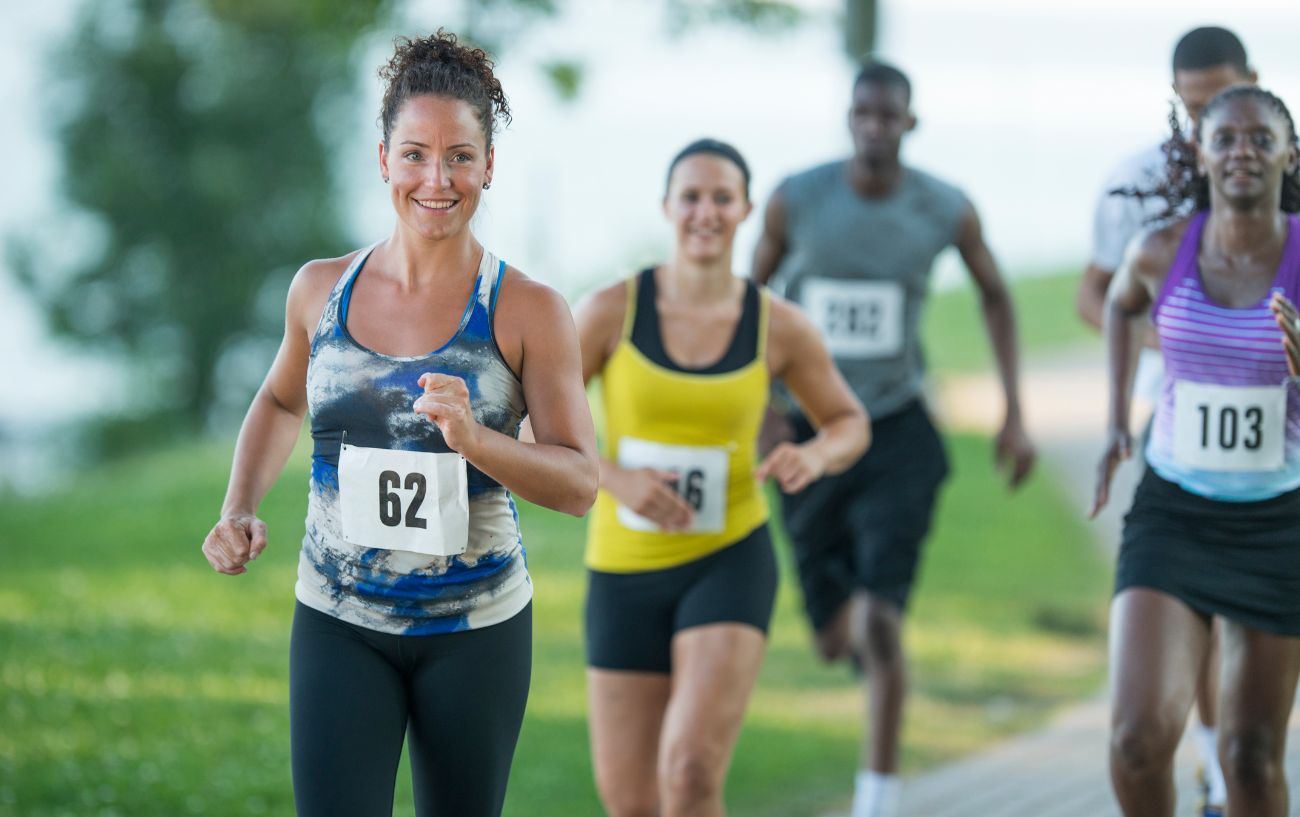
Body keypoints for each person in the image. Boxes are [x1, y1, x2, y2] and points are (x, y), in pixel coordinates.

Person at [199, 31, 598, 817]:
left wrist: (478, 439)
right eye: (415, 154)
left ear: (489, 166)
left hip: (476, 627)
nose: (436, 180)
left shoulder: (528, 311)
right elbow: (282, 401)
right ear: (383, 159)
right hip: (338, 618)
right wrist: (238, 505)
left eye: (459, 156)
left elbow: (581, 483)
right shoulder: (320, 293)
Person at [751, 61, 1036, 817]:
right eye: (863, 114)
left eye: (890, 116)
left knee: (881, 619)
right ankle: (874, 654)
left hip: (895, 426)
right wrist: (761, 408)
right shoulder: (796, 199)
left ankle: (876, 798)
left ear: (910, 123)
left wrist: (1015, 411)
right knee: (834, 639)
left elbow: (997, 293)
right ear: (849, 118)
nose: (875, 126)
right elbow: (746, 301)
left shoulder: (944, 207)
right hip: (809, 430)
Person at [575, 139, 869, 817]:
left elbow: (849, 422)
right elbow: (532, 429)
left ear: (746, 209)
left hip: (728, 557)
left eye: (722, 198)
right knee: (629, 800)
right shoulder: (608, 311)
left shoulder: (780, 326)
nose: (705, 212)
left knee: (690, 769)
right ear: (666, 207)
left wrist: (815, 457)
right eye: (691, 197)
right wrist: (616, 479)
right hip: (623, 567)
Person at [1093, 85, 1300, 817]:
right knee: (1137, 739)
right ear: (1200, 152)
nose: (1242, 149)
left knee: (1248, 756)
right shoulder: (1160, 249)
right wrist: (1118, 416)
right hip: (1174, 513)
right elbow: (1118, 304)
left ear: (1289, 154)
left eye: (1260, 137)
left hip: (1279, 524)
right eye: (1226, 137)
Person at [1078, 27, 1258, 814]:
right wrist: (1173, 332)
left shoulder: (1277, 160)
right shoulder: (1140, 182)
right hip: (1175, 414)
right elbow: (1098, 294)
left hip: (1271, 432)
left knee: (1235, 622)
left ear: (1249, 81)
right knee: (1189, 617)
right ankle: (1208, 767)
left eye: (1216, 99)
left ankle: (1226, 776)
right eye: (1189, 109)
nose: (1201, 124)